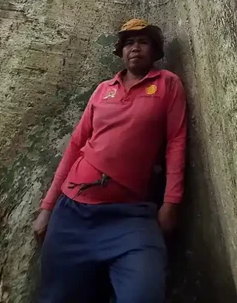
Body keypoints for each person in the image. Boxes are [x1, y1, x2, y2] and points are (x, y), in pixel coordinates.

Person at [33, 19, 187, 303]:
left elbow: (176, 142)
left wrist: (171, 202)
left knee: (144, 293)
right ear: (120, 51)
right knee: (56, 297)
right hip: (72, 215)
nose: (135, 48)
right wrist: (47, 207)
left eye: (143, 42)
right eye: (128, 43)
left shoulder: (167, 84)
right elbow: (77, 144)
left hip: (130, 216)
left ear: (154, 51)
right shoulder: (104, 89)